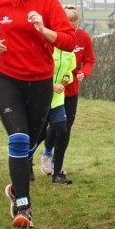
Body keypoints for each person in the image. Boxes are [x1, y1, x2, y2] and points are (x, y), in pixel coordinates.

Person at [0, 0, 75, 228]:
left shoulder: (48, 2)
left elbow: (68, 40)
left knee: (31, 142)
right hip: (6, 78)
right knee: (18, 139)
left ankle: (15, 188)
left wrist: (43, 30)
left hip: (40, 82)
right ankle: (23, 207)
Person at [40, 5, 96, 178]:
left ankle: (58, 164)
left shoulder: (84, 38)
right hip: (53, 91)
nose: (72, 30)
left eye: (76, 27)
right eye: (69, 26)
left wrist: (83, 73)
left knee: (65, 128)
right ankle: (47, 153)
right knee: (51, 127)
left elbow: (89, 60)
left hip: (71, 90)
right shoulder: (53, 36)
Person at [33, 44, 76, 185]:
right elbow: (36, 73)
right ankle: (26, 163)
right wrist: (52, 85)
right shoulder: (46, 47)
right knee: (38, 135)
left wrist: (66, 79)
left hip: (57, 100)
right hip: (41, 98)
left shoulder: (70, 51)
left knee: (62, 131)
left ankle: (57, 174)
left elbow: (70, 71)